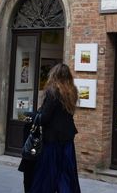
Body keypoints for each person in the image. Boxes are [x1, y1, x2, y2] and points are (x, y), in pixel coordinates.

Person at [24, 63, 81, 193]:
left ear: (54, 75)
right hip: (67, 138)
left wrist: (32, 116)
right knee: (65, 173)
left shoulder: (53, 92)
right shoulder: (73, 91)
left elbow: (45, 118)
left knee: (47, 174)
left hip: (52, 139)